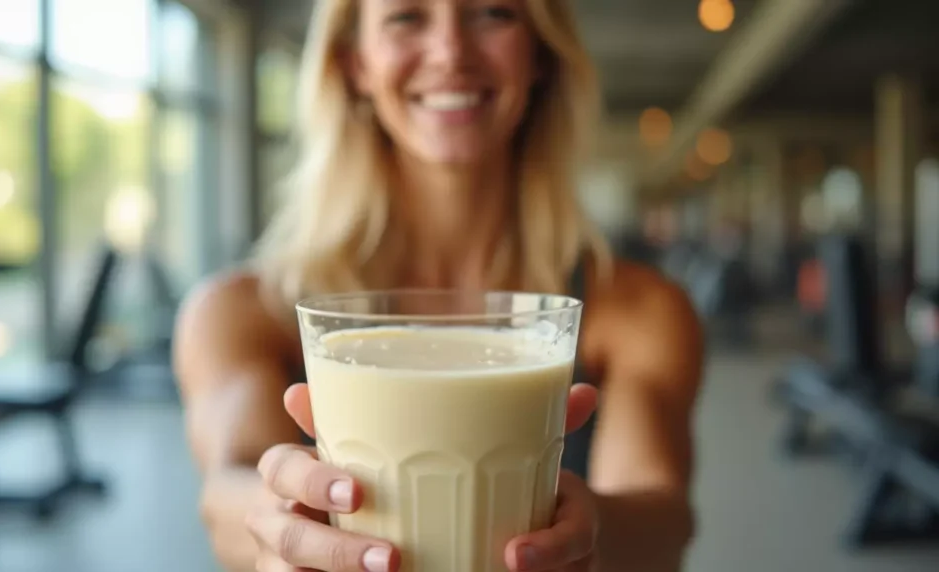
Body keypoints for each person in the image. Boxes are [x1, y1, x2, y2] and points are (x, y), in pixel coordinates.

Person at [174, 0, 704, 570]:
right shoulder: (240, 311)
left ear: (541, 57)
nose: (451, 52)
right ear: (356, 63)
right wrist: (277, 516)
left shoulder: (638, 309)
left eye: (494, 13)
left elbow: (664, 517)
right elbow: (225, 489)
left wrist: (595, 530)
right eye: (406, 16)